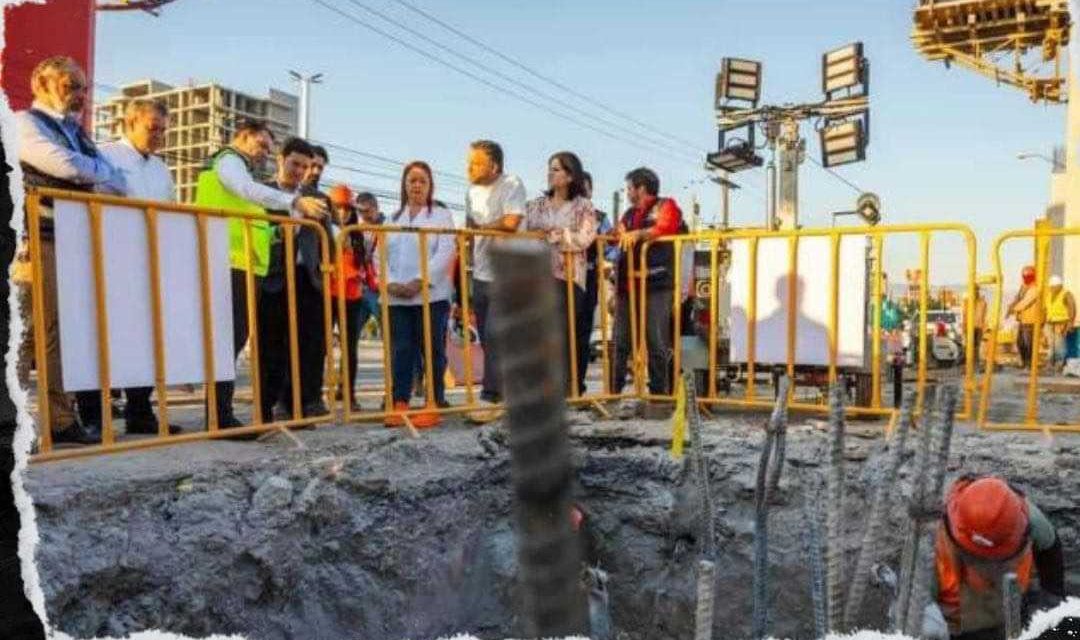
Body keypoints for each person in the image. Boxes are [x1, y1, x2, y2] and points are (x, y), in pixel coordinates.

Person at [15, 56, 127, 445]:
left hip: (71, 237)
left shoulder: (77, 132)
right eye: (71, 86)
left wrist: (94, 173)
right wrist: (96, 173)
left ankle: (60, 418)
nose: (80, 95)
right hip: (35, 237)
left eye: (83, 87)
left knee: (61, 332)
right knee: (30, 331)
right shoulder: (24, 123)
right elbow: (64, 166)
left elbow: (119, 181)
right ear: (41, 84)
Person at [195, 120, 327, 432]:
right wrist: (292, 202)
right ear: (242, 136)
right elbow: (244, 190)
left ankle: (221, 413)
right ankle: (219, 416)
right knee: (231, 340)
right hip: (226, 259)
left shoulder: (240, 169)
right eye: (262, 145)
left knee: (234, 339)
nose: (264, 153)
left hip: (243, 263)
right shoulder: (228, 162)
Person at [75, 99, 181, 436]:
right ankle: (93, 415)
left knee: (145, 339)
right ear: (130, 122)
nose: (159, 135)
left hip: (149, 262)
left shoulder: (161, 169)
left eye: (164, 129)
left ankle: (140, 410)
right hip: (109, 258)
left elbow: (169, 209)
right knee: (100, 337)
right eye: (153, 128)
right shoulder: (105, 155)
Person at [923, 475, 1064, 640]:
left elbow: (1050, 546)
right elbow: (919, 601)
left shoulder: (1027, 519)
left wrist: (1052, 601)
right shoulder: (932, 545)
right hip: (954, 628)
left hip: (1015, 613)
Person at [257, 137, 332, 422]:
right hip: (272, 278)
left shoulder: (319, 198)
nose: (300, 170)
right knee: (271, 346)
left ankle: (297, 408)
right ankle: (264, 410)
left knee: (306, 347)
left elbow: (328, 241)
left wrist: (323, 271)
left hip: (307, 279)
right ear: (280, 160)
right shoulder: (261, 193)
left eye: (305, 166)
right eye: (295, 164)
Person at [383, 162, 456, 428]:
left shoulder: (440, 216)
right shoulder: (392, 218)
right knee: (400, 350)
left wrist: (421, 280)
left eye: (421, 181)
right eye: (411, 180)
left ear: (429, 185)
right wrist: (390, 283)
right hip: (396, 297)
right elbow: (380, 256)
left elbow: (446, 251)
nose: (416, 185)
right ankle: (399, 402)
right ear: (404, 184)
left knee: (432, 350)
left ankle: (433, 403)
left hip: (430, 295)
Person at [610, 167, 683, 418]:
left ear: (640, 188)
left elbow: (666, 227)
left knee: (656, 341)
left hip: (656, 284)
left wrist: (639, 233)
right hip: (626, 286)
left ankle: (659, 396)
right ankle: (612, 392)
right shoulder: (629, 214)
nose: (628, 192)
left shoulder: (666, 205)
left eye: (629, 187)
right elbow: (617, 235)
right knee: (620, 341)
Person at [464, 140, 527, 423]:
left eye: (476, 163)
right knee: (489, 339)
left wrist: (483, 229)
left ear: (494, 166)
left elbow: (512, 221)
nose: (469, 168)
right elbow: (470, 231)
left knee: (495, 334)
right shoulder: (471, 192)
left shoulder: (511, 184)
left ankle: (491, 398)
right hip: (481, 273)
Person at [525, 152, 597, 395]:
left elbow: (585, 238)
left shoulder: (583, 206)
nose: (550, 173)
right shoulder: (536, 205)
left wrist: (557, 236)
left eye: (555, 169)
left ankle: (565, 388)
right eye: (549, 168)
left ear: (569, 175)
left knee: (565, 334)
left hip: (569, 278)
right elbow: (524, 232)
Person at [327, 183, 375, 408]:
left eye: (347, 208)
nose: (344, 212)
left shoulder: (358, 235)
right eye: (338, 207)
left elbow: (364, 263)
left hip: (352, 295)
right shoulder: (321, 229)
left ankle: (348, 393)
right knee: (320, 346)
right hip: (327, 294)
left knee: (350, 347)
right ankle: (313, 396)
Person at [576, 172, 617, 397]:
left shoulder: (600, 219)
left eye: (585, 189)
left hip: (587, 281)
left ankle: (576, 388)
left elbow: (612, 250)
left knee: (582, 336)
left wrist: (610, 262)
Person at [355, 192, 385, 338]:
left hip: (381, 288)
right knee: (350, 334)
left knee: (389, 334)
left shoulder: (389, 226)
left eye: (367, 211)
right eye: (360, 211)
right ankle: (347, 361)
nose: (364, 215)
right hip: (360, 287)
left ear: (376, 207)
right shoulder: (356, 229)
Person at [1006, 266, 1042, 370]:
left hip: (1031, 320)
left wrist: (1014, 309)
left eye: (1028, 276)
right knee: (1020, 342)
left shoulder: (1035, 289)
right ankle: (1024, 362)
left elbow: (1025, 303)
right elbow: (1017, 298)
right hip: (1022, 319)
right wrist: (1011, 306)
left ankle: (1030, 364)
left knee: (1029, 343)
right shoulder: (1023, 287)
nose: (1026, 278)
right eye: (1025, 276)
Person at [1043, 275, 1075, 373]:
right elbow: (1046, 310)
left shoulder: (1066, 294)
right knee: (1051, 345)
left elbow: (1072, 308)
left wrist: (1070, 323)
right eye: (1051, 287)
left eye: (1054, 286)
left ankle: (1059, 365)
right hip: (1049, 322)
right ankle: (1049, 364)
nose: (1052, 288)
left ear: (1059, 285)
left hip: (1061, 323)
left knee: (1059, 345)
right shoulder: (1049, 295)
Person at [963, 288, 987, 365]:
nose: (976, 292)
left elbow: (983, 315)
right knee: (970, 345)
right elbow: (965, 314)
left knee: (977, 345)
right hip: (970, 326)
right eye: (974, 290)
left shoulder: (983, 302)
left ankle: (975, 361)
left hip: (979, 326)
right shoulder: (967, 301)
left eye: (977, 290)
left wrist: (984, 326)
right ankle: (969, 362)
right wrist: (964, 326)